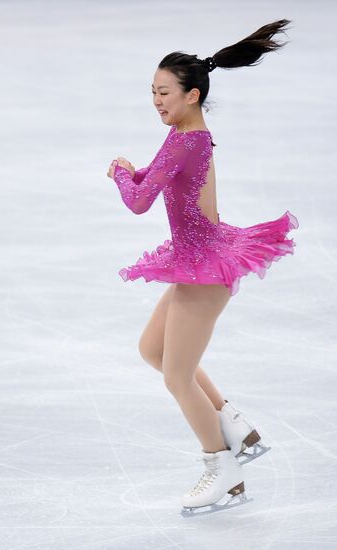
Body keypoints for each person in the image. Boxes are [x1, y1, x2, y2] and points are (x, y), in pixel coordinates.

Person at [107, 19, 298, 515]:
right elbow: (161, 176)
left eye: (164, 92)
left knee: (176, 376)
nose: (156, 100)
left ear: (191, 95)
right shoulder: (191, 136)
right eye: (152, 91)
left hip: (204, 269)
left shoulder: (183, 139)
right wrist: (136, 172)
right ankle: (235, 424)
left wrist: (120, 178)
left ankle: (223, 469)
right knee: (153, 349)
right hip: (198, 259)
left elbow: (140, 201)